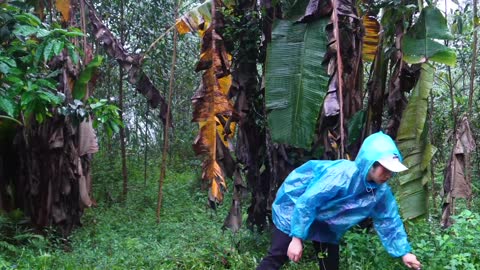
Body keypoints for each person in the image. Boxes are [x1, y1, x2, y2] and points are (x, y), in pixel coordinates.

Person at [257, 131, 422, 270]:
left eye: (391, 171)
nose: (388, 175)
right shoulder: (341, 176)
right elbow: (307, 202)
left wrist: (404, 253)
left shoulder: (380, 193)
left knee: (328, 263)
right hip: (295, 208)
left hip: (325, 224)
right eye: (385, 169)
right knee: (278, 254)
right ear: (371, 164)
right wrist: (296, 238)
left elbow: (390, 222)